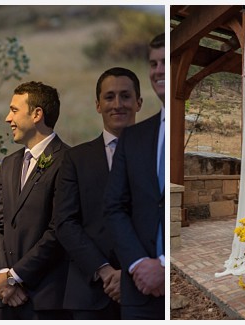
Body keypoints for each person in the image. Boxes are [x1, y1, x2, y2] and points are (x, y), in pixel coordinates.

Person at [53, 67, 144, 319]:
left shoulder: (156, 155)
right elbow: (65, 222)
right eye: (109, 97)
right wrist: (105, 271)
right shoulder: (76, 158)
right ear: (97, 104)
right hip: (90, 290)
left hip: (146, 288)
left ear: (138, 102)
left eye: (125, 96)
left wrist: (130, 273)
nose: (117, 104)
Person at [0, 81, 71, 320]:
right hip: (5, 298)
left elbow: (59, 230)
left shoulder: (68, 160)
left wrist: (16, 276)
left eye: (14, 110)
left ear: (36, 114)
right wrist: (4, 275)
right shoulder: (9, 164)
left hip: (45, 298)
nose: (7, 118)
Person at [104, 33, 166, 320]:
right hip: (138, 288)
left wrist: (164, 265)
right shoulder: (134, 137)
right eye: (154, 63)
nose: (159, 70)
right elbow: (115, 206)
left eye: (167, 62)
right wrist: (139, 263)